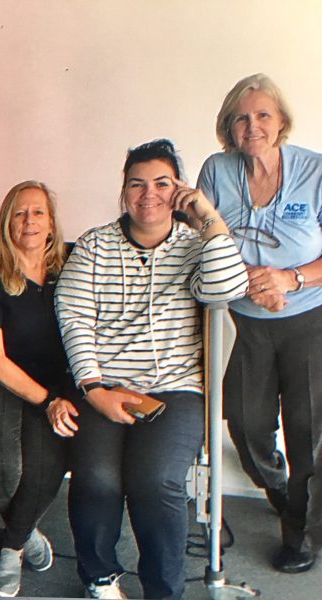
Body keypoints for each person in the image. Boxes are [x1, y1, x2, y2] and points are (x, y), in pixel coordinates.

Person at [56, 139, 248, 599]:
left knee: (155, 480)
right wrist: (94, 388)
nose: (148, 195)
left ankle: (163, 590)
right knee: (97, 478)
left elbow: (229, 287)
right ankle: (100, 578)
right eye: (136, 184)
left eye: (162, 184)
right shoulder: (94, 245)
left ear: (178, 190)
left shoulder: (195, 245)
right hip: (105, 385)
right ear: (123, 191)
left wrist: (207, 216)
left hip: (176, 390)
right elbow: (73, 316)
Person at [198, 73, 322, 573]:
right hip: (243, 321)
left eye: (263, 115)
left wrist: (290, 278)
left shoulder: (315, 171)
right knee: (247, 427)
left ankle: (301, 534)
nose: (253, 126)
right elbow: (201, 240)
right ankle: (286, 497)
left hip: (309, 317)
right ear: (228, 127)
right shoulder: (216, 171)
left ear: (282, 121)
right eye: (241, 118)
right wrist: (250, 280)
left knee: (309, 431)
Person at [0, 181, 79, 597]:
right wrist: (46, 401)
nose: (28, 221)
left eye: (37, 212)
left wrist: (58, 396)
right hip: (1, 378)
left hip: (57, 379)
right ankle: (28, 534)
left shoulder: (73, 266)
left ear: (51, 223)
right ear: (6, 223)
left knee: (46, 465)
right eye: (19, 212)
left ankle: (10, 547)